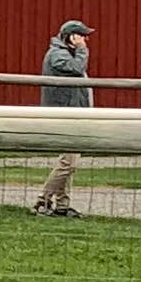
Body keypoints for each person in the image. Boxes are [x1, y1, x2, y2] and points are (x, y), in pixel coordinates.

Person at [31, 18, 92, 215]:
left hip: (73, 114)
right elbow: (76, 69)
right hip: (64, 115)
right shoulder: (58, 55)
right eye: (81, 36)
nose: (85, 40)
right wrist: (82, 50)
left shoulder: (67, 54)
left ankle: (63, 205)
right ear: (70, 37)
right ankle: (43, 201)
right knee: (68, 162)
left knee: (69, 162)